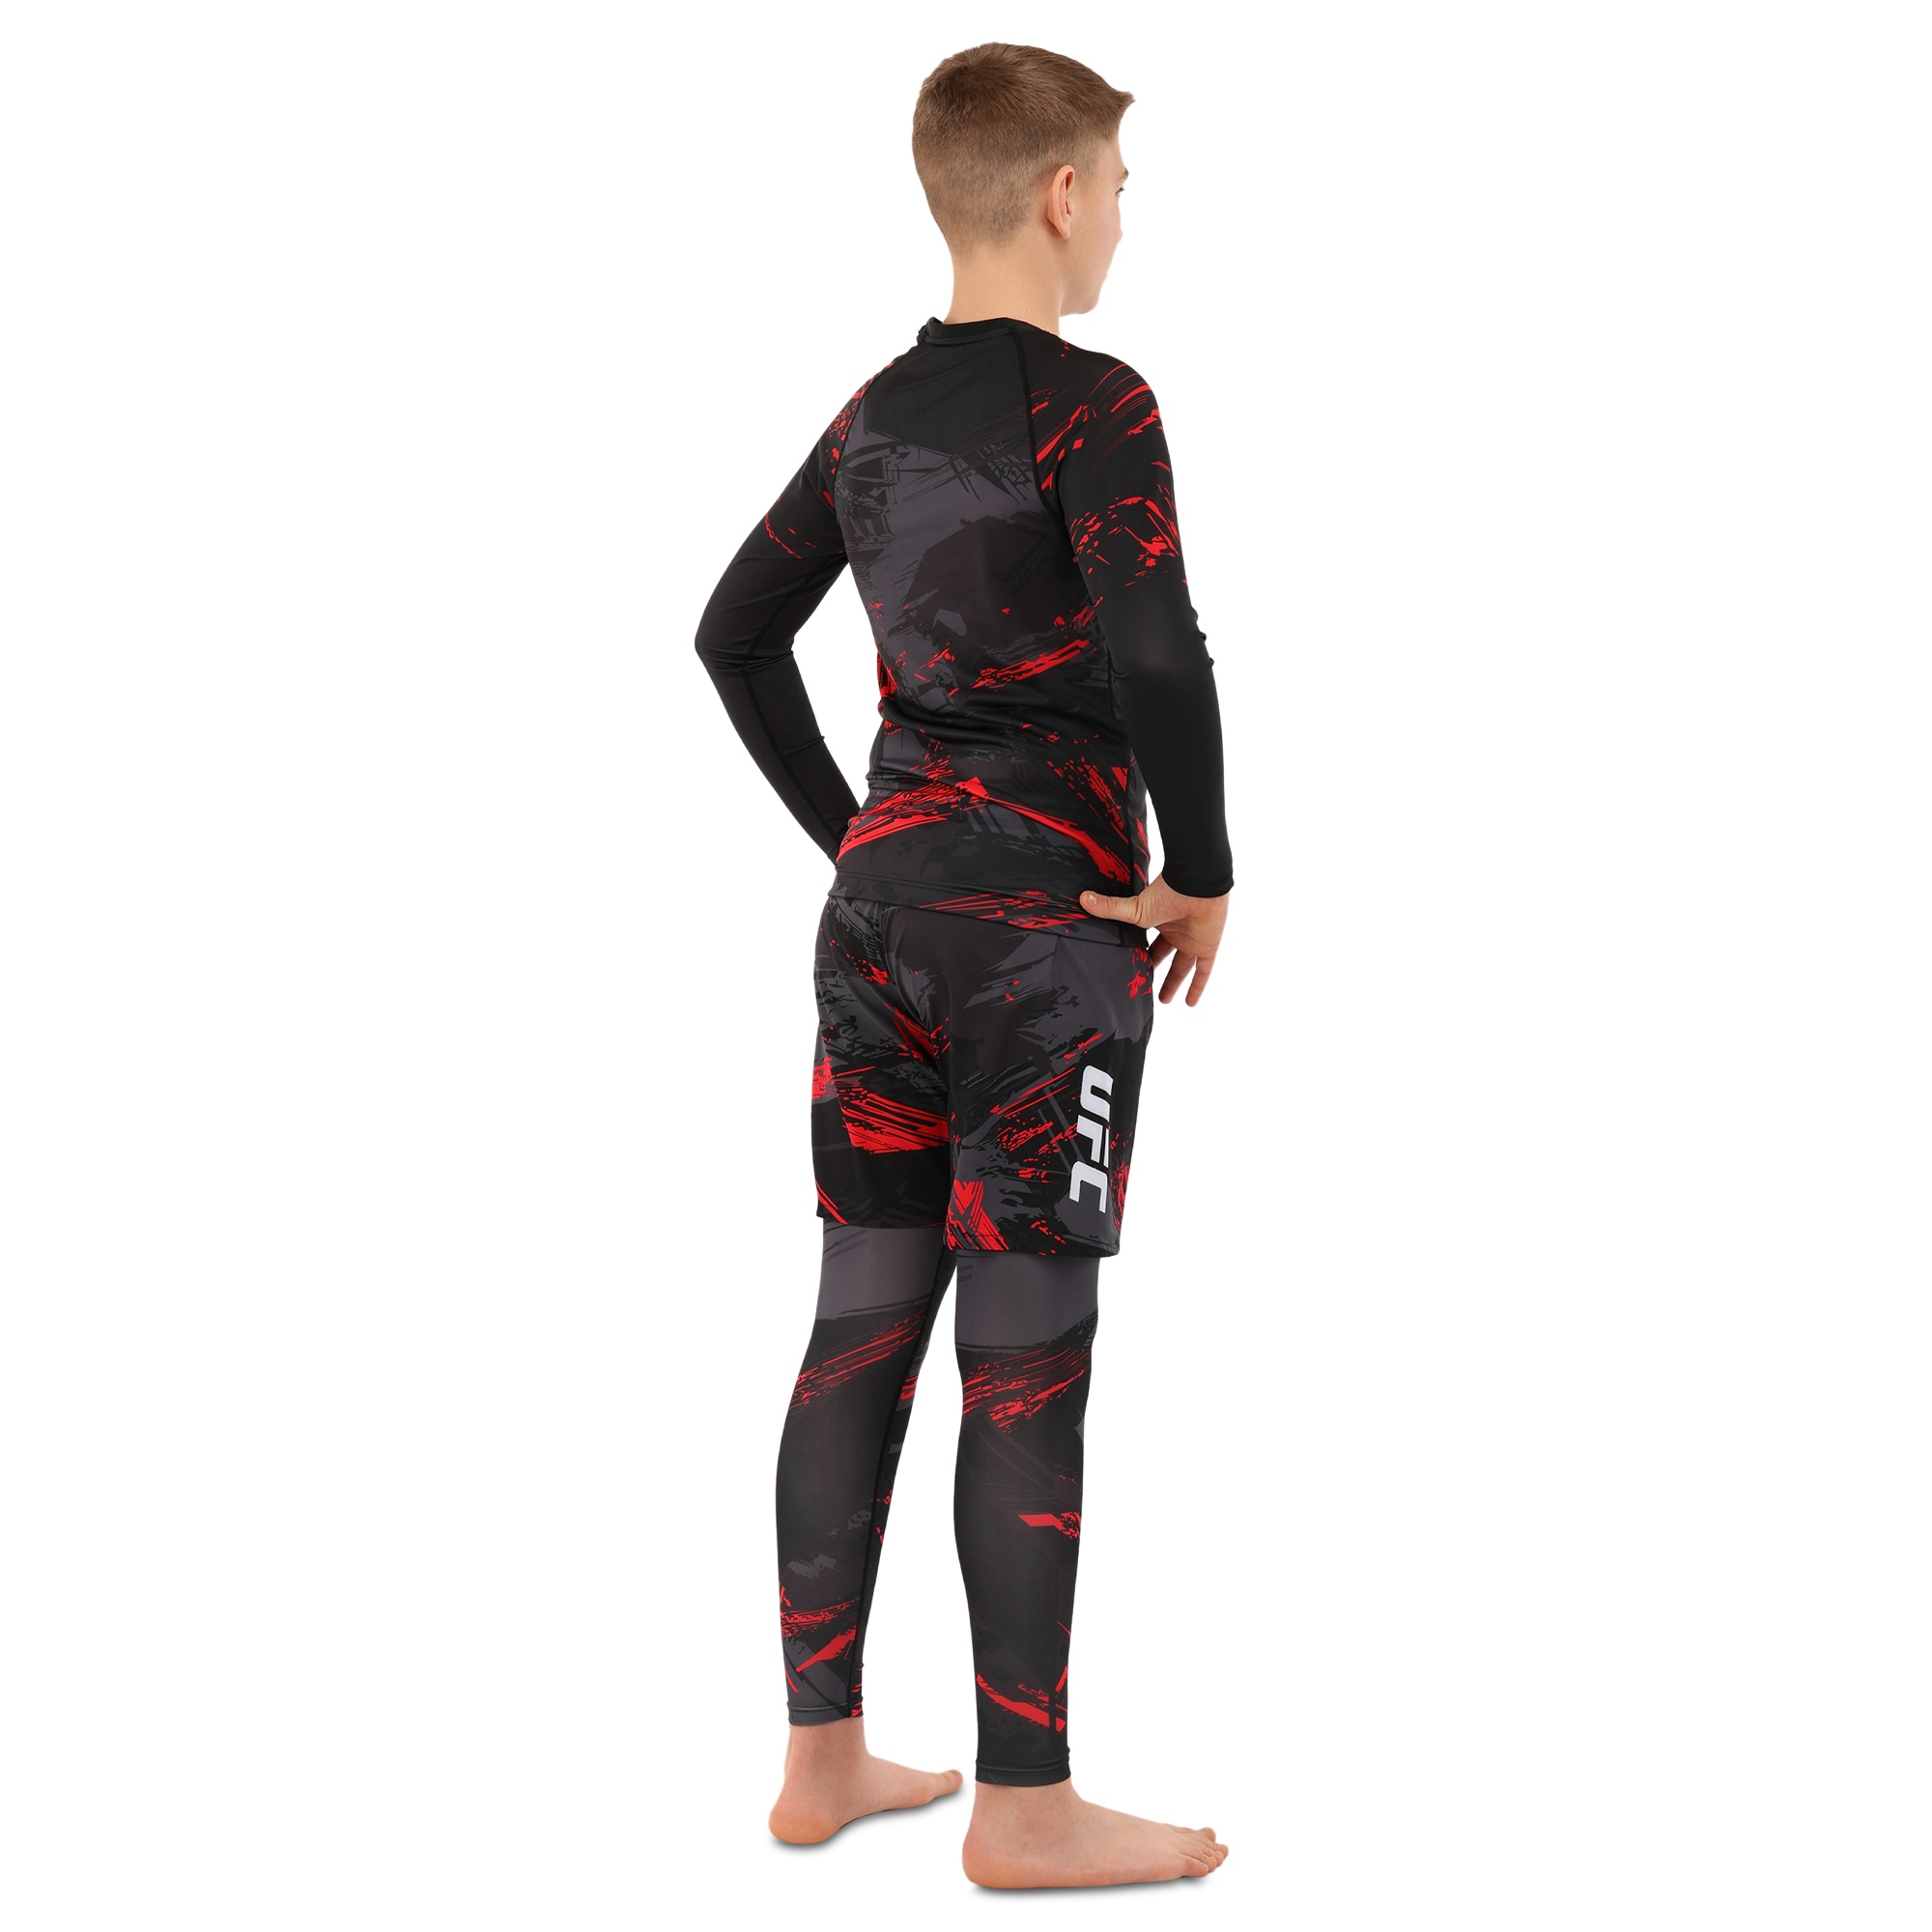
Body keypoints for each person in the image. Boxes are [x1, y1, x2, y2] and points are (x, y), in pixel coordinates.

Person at [694, 43, 1234, 1889]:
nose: (1124, 222)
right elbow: (1157, 654)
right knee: (1025, 1349)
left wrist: (870, 836)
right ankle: (1025, 1802)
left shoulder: (871, 418)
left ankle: (821, 1762)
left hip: (876, 930)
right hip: (1040, 949)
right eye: (1122, 189)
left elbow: (733, 633)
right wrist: (1203, 874)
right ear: (1065, 195)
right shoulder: (1096, 403)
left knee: (859, 1316)